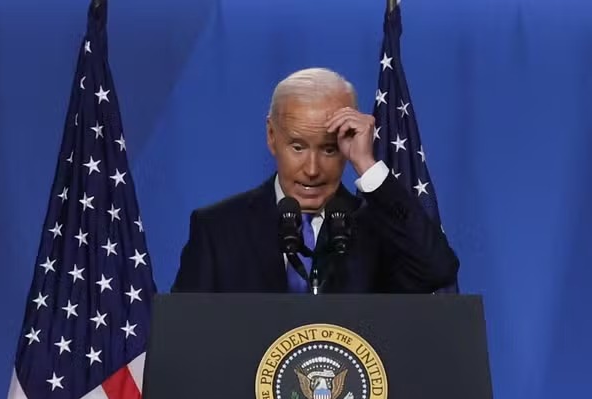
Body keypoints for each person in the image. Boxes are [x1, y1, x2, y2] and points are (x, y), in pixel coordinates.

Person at [171, 67, 459, 293]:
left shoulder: (377, 230)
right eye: (298, 147)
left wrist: (367, 164)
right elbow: (185, 334)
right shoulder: (218, 230)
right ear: (271, 136)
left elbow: (437, 270)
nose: (312, 170)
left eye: (329, 149)